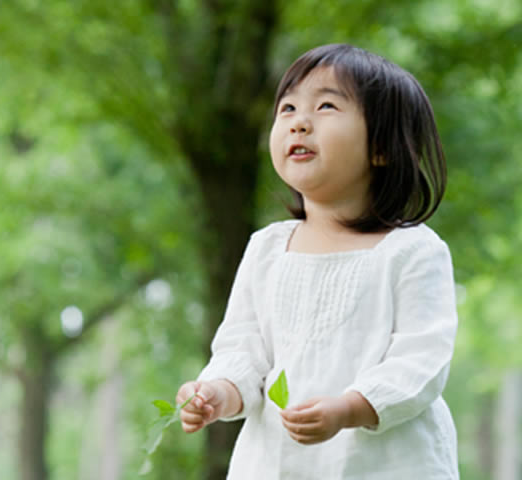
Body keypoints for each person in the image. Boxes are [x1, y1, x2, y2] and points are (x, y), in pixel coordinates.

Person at [176, 43, 459, 479]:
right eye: (287, 108)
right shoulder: (267, 249)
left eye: (326, 105)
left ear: (380, 147)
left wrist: (350, 408)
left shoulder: (412, 252)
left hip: (382, 465)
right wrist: (217, 392)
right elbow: (244, 351)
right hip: (276, 464)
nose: (298, 123)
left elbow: (421, 361)